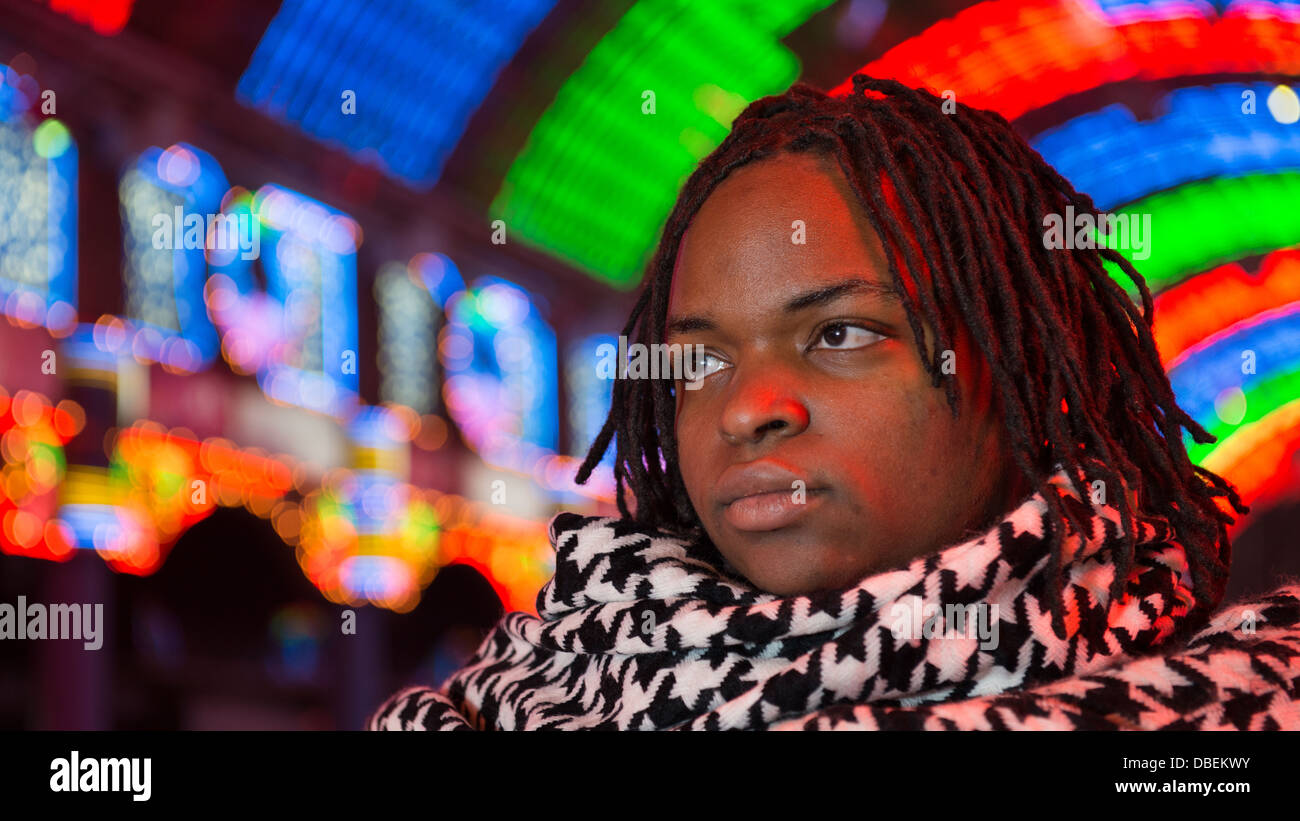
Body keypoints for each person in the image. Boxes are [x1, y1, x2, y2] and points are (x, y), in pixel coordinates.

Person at [370, 76, 1300, 731]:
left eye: (842, 334)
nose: (748, 409)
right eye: (699, 361)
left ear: (1027, 381)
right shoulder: (489, 712)